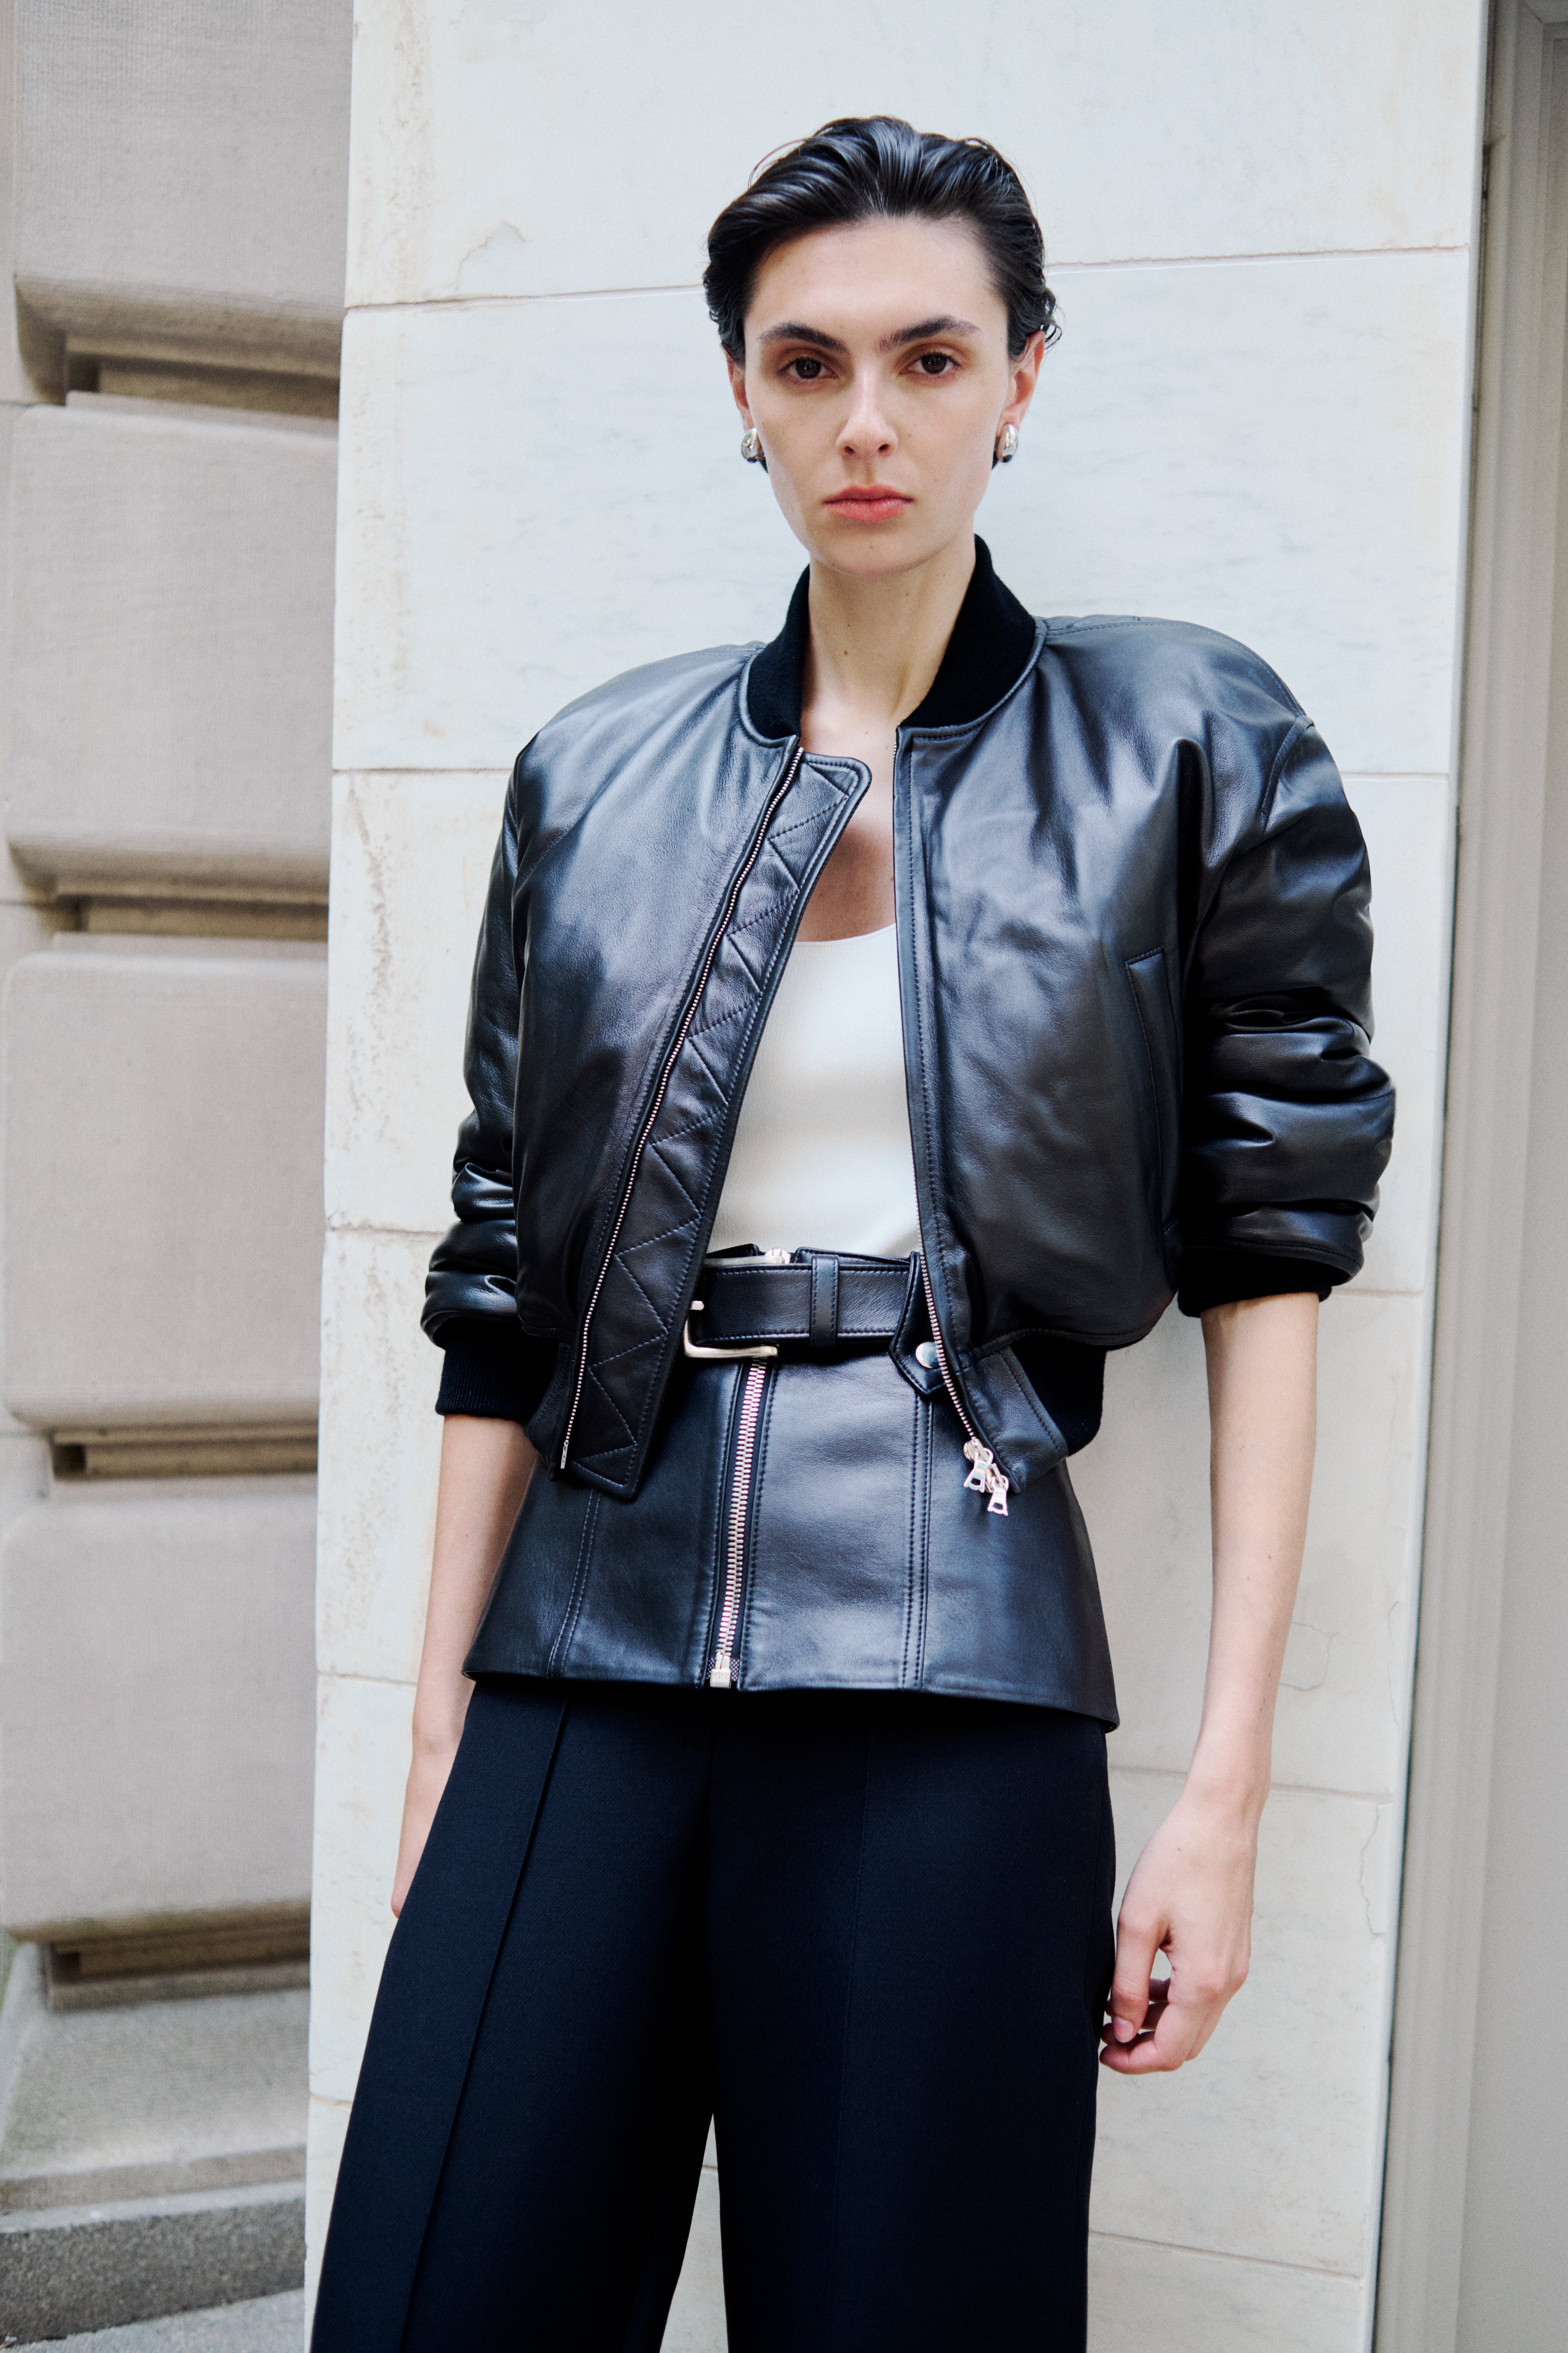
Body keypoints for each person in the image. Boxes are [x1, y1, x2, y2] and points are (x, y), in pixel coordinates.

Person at [311, 115, 1393, 2353]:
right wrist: (438, 1731)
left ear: (1021, 378)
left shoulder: (1184, 738)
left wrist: (1221, 1793)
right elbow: (504, 1273)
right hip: (582, 1648)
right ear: (741, 392)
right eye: (807, 364)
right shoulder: (595, 776)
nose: (868, 421)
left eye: (929, 357)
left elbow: (1267, 1256)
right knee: (440, 2291)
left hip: (949, 1647)